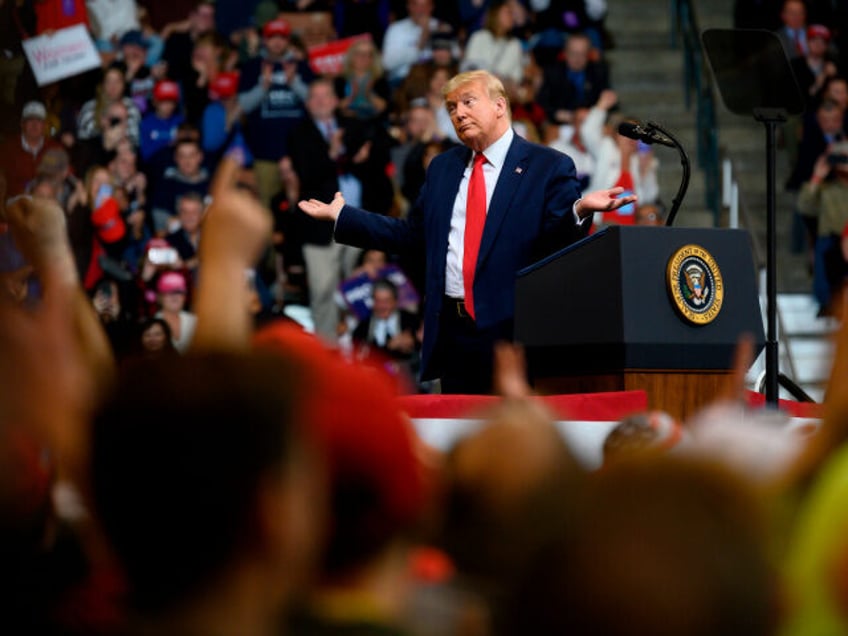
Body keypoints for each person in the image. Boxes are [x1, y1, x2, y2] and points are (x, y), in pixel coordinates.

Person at [298, 70, 636, 394]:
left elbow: (553, 246)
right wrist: (343, 216)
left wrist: (580, 210)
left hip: (513, 332)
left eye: (468, 102)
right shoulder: (444, 168)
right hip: (453, 332)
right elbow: (411, 235)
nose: (458, 113)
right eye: (451, 108)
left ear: (500, 105)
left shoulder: (548, 166)